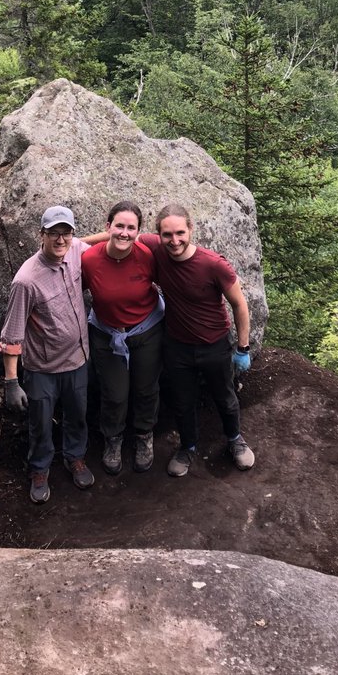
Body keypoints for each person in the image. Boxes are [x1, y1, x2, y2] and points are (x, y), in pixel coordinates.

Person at [139, 202, 255, 477]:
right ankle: (188, 447)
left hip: (215, 344)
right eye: (167, 234)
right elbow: (121, 235)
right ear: (158, 235)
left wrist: (243, 348)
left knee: (224, 396)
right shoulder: (157, 249)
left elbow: (239, 304)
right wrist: (76, 243)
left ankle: (235, 439)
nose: (174, 240)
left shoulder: (213, 264)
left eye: (180, 232)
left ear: (191, 229)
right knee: (182, 400)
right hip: (177, 346)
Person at [0, 205, 94, 504]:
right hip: (43, 369)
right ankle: (39, 469)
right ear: (41, 234)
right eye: (54, 233)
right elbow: (12, 334)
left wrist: (123, 235)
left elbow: (94, 241)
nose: (60, 239)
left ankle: (75, 457)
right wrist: (11, 382)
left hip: (78, 360)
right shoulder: (26, 280)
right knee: (40, 423)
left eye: (66, 232)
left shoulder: (76, 250)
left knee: (77, 415)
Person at [81, 200, 164, 476]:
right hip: (107, 334)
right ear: (108, 227)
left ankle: (143, 435)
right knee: (114, 393)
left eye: (131, 228)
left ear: (138, 232)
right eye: (119, 226)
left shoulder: (147, 254)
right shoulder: (89, 260)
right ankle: (113, 438)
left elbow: (178, 262)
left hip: (146, 330)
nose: (124, 233)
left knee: (146, 389)